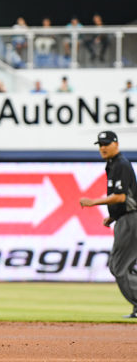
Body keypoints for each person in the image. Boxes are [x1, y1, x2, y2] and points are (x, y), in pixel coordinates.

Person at [79, 131, 137, 318]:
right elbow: (123, 198)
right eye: (100, 144)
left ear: (116, 144)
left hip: (130, 220)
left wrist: (93, 202)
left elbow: (121, 196)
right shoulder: (113, 164)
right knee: (121, 266)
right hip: (125, 218)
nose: (102, 148)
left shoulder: (120, 164)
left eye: (106, 143)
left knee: (119, 267)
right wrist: (113, 216)